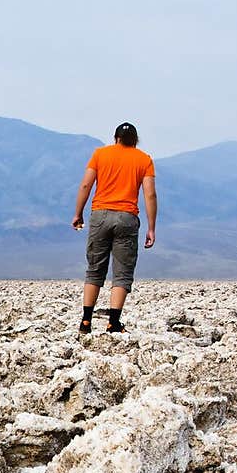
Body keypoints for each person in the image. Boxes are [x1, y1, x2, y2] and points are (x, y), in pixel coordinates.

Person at [71, 122, 156, 334]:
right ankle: (113, 323)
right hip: (127, 217)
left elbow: (85, 185)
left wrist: (78, 213)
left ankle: (86, 321)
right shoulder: (144, 159)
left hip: (100, 215)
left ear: (115, 138)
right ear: (135, 140)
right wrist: (151, 227)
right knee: (122, 272)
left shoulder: (100, 154)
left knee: (95, 268)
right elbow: (150, 194)